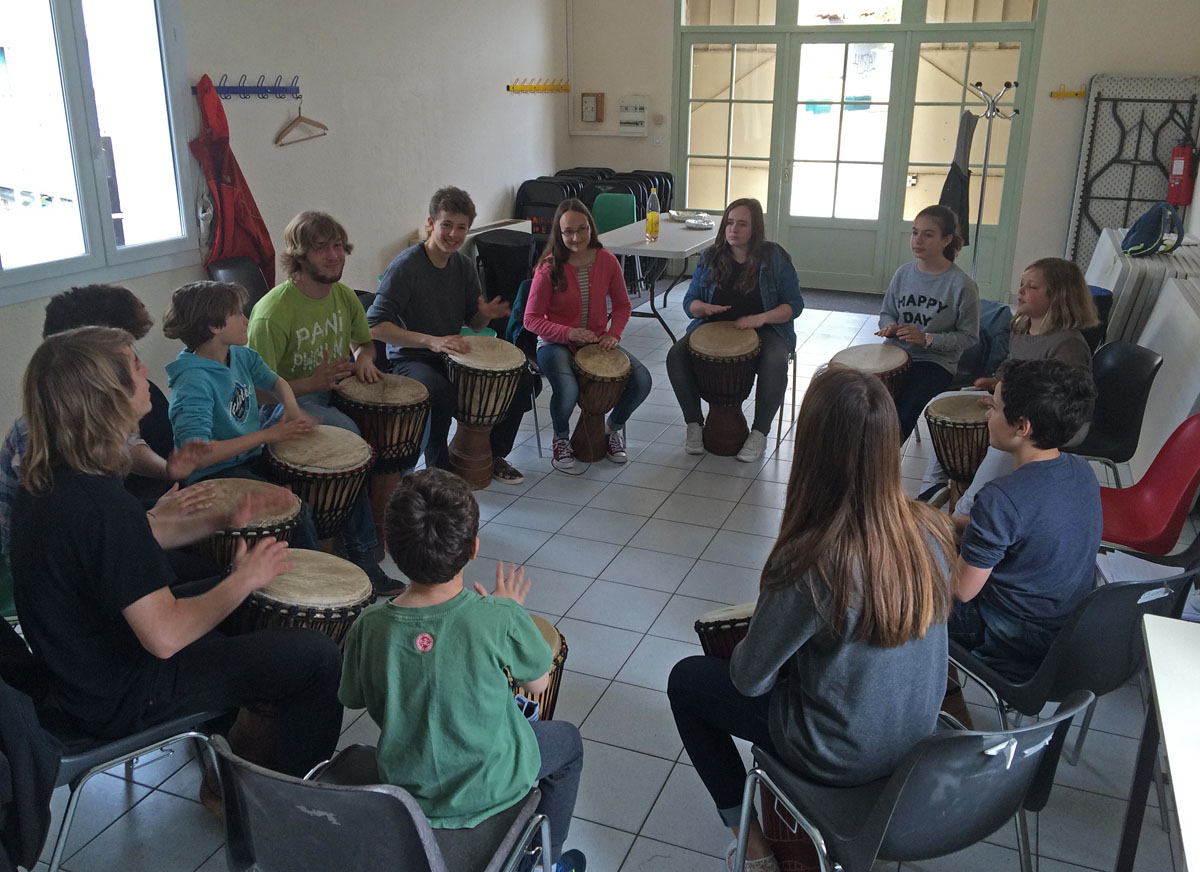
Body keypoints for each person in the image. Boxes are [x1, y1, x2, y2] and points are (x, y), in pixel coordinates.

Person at [10, 326, 343, 779]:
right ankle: (296, 801)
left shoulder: (50, 478)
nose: (146, 371)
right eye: (134, 364)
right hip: (117, 696)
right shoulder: (101, 506)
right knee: (317, 657)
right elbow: (164, 636)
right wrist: (242, 577)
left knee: (247, 594)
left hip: (76, 673)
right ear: (109, 397)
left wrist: (221, 521)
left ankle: (229, 754)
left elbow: (125, 546)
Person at [667, 364, 956, 872]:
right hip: (917, 744)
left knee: (686, 681)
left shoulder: (812, 558)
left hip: (840, 755)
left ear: (813, 449)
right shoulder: (929, 528)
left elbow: (749, 680)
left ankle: (751, 845)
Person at [339, 469, 586, 872]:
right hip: (493, 783)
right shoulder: (498, 617)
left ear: (394, 550)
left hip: (407, 787)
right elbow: (538, 682)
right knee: (569, 744)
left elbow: (353, 696)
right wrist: (509, 611)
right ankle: (548, 860)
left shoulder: (369, 625)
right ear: (473, 549)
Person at [0, 284, 214, 582]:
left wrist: (166, 471)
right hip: (62, 575)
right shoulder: (41, 442)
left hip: (94, 545)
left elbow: (129, 446)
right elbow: (80, 540)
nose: (143, 368)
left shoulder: (91, 417)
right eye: (130, 359)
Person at [247, 213, 394, 585]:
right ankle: (362, 555)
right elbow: (257, 391)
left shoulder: (343, 296)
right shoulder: (272, 313)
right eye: (321, 248)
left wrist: (363, 358)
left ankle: (379, 527)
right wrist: (312, 382)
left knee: (389, 413)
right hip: (279, 409)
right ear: (300, 255)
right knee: (348, 436)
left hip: (329, 393)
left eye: (338, 246)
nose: (334, 255)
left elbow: (364, 343)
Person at [367, 186, 534, 484]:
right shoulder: (406, 266)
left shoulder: (464, 266)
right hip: (410, 359)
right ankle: (439, 473)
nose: (454, 235)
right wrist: (430, 341)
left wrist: (485, 313)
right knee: (440, 393)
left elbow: (475, 321)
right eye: (447, 225)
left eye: (461, 228)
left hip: (451, 354)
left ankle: (493, 455)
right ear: (431, 223)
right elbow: (375, 326)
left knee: (522, 380)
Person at [953, 358, 1101, 680]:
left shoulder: (1001, 497)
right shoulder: (1082, 470)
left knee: (901, 590)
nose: (988, 415)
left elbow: (961, 591)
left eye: (994, 408)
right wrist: (950, 524)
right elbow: (1029, 527)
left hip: (1014, 637)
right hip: (1065, 627)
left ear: (1022, 427)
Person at [920, 257, 1099, 515]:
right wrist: (996, 384)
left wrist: (1005, 408)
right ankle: (933, 486)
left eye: (1031, 287)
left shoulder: (1067, 344)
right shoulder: (1023, 327)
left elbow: (1068, 399)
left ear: (1058, 296)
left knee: (1005, 440)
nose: (1021, 291)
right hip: (1019, 410)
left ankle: (963, 512)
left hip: (1060, 421)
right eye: (1021, 284)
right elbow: (1010, 367)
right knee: (944, 404)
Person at [162, 281, 327, 555]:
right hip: (212, 477)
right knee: (297, 510)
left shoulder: (239, 355)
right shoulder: (192, 382)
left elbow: (277, 382)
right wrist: (267, 434)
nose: (246, 320)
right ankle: (304, 581)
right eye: (237, 313)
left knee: (314, 478)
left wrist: (292, 410)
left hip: (249, 458)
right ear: (215, 326)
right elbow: (198, 457)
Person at [667, 198, 805, 462]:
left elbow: (794, 305)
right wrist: (703, 309)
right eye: (729, 223)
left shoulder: (774, 257)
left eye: (742, 224)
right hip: (715, 328)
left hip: (766, 329)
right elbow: (689, 303)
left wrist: (760, 319)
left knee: (775, 360)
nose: (733, 229)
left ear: (756, 229)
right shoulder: (710, 257)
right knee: (676, 355)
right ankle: (694, 424)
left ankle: (760, 433)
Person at [524, 199, 652, 469]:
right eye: (568, 231)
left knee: (642, 380)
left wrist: (613, 334)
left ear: (591, 229)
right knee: (568, 389)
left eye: (582, 229)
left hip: (596, 341)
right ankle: (560, 438)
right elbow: (530, 319)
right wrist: (569, 333)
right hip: (554, 343)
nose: (575, 237)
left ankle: (611, 429)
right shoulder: (548, 267)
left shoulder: (606, 260)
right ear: (558, 234)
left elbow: (622, 305)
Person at [876, 204, 980, 442]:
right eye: (915, 232)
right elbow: (887, 312)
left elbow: (969, 336)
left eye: (928, 234)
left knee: (904, 411)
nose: (918, 240)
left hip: (935, 362)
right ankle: (864, 457)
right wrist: (890, 326)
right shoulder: (903, 273)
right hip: (896, 355)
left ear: (947, 240)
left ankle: (882, 462)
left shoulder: (962, 285)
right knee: (868, 405)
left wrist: (927, 339)